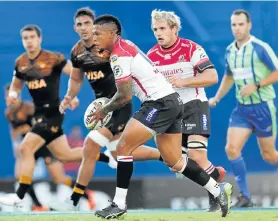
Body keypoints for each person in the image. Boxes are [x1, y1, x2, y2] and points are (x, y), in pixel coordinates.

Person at [79, 14, 232, 219]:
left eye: (98, 33)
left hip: (159, 103)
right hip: (172, 102)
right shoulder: (125, 47)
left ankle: (119, 204)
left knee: (123, 147)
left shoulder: (119, 55)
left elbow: (124, 96)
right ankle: (217, 190)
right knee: (175, 161)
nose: (94, 37)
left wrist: (103, 110)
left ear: (112, 34)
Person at [52, 7, 169, 211]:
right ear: (75, 28)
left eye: (87, 23)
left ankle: (74, 200)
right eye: (79, 24)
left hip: (118, 104)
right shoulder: (77, 51)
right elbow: (76, 78)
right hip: (102, 107)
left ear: (95, 25)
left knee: (90, 146)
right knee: (118, 153)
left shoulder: (107, 48)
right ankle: (168, 156)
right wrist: (69, 97)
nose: (83, 28)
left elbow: (126, 76)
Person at [0, 25, 109, 207]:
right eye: (25, 38)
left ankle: (20, 197)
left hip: (53, 113)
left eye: (32, 37)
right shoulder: (21, 62)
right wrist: (12, 94)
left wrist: (71, 96)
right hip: (42, 119)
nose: (29, 41)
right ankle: (104, 155)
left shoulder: (53, 58)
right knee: (65, 156)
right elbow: (16, 85)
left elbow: (76, 73)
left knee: (25, 148)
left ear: (39, 38)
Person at [147, 9, 227, 212]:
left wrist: (185, 81)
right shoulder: (151, 56)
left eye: (162, 28)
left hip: (194, 106)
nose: (158, 33)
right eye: (155, 29)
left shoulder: (191, 48)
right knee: (174, 163)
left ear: (174, 28)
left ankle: (215, 193)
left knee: (197, 154)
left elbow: (212, 76)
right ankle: (215, 177)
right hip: (170, 112)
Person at [208, 9, 278, 207]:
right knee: (231, 149)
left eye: (241, 24)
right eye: (233, 25)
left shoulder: (260, 48)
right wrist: (217, 98)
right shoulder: (230, 50)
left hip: (263, 108)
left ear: (249, 26)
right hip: (242, 110)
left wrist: (257, 85)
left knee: (270, 157)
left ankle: (246, 195)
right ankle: (245, 196)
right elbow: (228, 76)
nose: (237, 28)